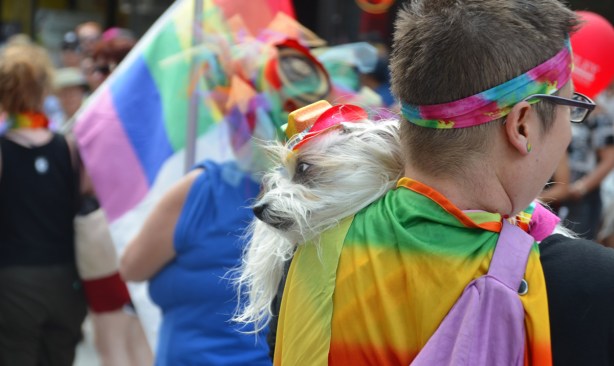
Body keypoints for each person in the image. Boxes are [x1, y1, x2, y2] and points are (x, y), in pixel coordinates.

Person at [254, 1, 614, 365]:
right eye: (571, 107)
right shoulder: (585, 287)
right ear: (522, 125)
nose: (569, 130)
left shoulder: (312, 248)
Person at [0, 37, 87, 366]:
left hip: (14, 286)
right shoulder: (67, 146)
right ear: (42, 88)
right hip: (67, 282)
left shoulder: (3, 150)